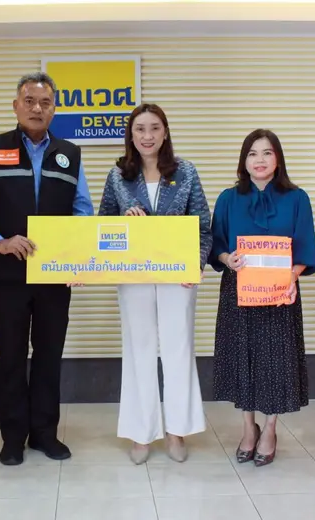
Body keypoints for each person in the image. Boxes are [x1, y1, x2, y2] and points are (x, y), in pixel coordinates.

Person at [0, 72, 94, 466]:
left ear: (54, 109)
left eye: (45, 102)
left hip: (54, 275)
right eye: (30, 101)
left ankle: (45, 434)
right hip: (8, 274)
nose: (37, 108)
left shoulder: (70, 153)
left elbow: (83, 210)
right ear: (16, 106)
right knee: (11, 357)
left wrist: (76, 256)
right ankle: (12, 437)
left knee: (49, 355)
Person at [97, 103, 211, 465]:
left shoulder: (186, 172)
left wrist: (196, 264)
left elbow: (202, 225)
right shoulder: (118, 175)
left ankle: (177, 431)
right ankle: (141, 432)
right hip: (134, 276)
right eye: (140, 129)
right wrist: (125, 222)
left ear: (165, 132)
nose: (147, 136)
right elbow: (104, 225)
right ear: (131, 135)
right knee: (139, 350)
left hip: (178, 276)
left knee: (178, 349)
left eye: (155, 128)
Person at [209, 129, 315, 467]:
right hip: (238, 292)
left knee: (277, 362)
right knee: (241, 358)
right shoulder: (228, 198)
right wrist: (227, 258)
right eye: (253, 153)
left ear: (278, 159)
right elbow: (216, 246)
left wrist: (292, 276)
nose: (260, 160)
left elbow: (306, 247)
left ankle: (270, 428)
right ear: (244, 160)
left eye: (267, 153)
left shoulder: (297, 198)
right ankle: (248, 427)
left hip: (280, 293)